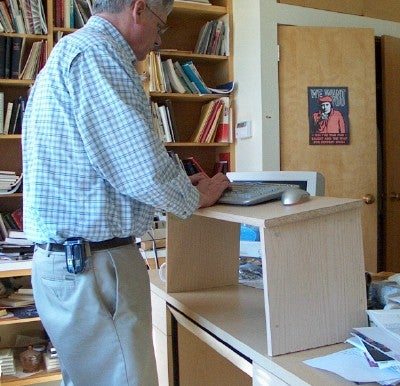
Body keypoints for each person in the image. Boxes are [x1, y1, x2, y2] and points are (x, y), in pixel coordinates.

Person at [21, 1, 231, 385]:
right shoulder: (99, 54)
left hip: (73, 265)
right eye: (160, 24)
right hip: (93, 268)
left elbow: (111, 159)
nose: (157, 40)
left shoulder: (70, 51)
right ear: (139, 9)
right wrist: (194, 197)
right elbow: (138, 165)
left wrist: (182, 187)